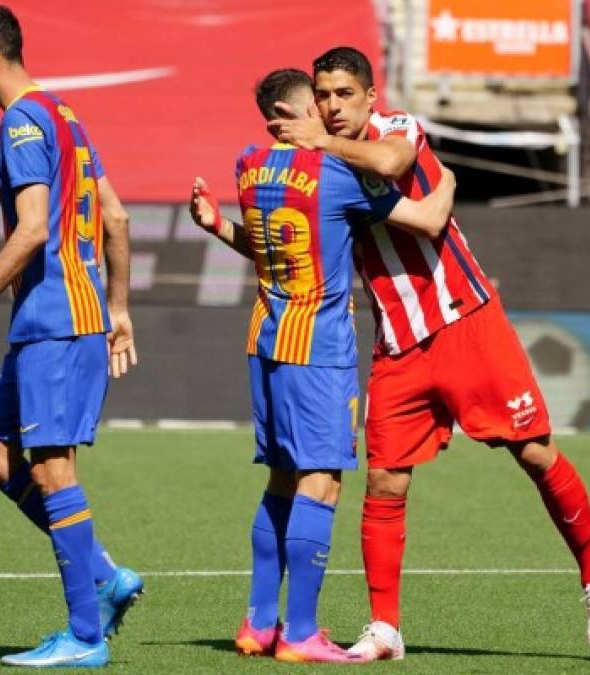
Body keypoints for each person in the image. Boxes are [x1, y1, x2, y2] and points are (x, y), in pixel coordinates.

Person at [267, 46, 590, 659]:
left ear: (371, 97)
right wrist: (223, 229)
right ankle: (386, 627)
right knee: (384, 480)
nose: (331, 106)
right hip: (398, 344)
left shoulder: (396, 128)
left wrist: (322, 143)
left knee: (535, 453)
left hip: (467, 322)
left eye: (344, 94)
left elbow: (391, 160)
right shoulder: (317, 164)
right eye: (323, 96)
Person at [189, 68, 457, 663]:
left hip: (265, 339)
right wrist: (450, 183)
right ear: (299, 113)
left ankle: (259, 623)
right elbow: (427, 220)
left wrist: (218, 226)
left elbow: (270, 247)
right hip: (319, 349)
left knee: (280, 477)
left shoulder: (248, 164)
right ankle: (302, 632)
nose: (331, 113)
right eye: (320, 104)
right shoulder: (336, 172)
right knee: (322, 480)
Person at [0, 4, 141, 668]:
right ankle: (102, 574)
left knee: (51, 468)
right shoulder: (64, 115)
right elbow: (116, 214)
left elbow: (33, 228)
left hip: (56, 318)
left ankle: (83, 633)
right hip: (62, 316)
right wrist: (122, 307)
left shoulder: (21, 122)